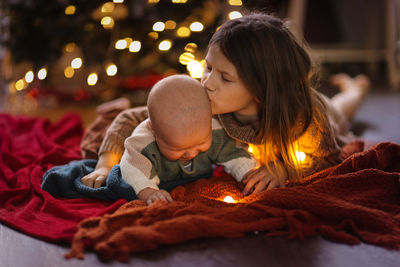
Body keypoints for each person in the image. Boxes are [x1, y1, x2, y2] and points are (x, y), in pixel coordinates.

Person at [81, 12, 369, 196]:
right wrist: (106, 165)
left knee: (343, 109)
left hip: (322, 110)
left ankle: (356, 88)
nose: (207, 83)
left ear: (260, 89)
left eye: (225, 77)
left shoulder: (305, 118)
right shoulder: (204, 100)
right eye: (208, 68)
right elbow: (132, 118)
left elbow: (329, 158)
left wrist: (282, 168)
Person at [85, 74, 258, 205]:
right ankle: (111, 111)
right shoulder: (144, 142)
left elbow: (231, 153)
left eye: (200, 143)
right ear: (155, 132)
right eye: (178, 148)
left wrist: (248, 172)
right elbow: (134, 169)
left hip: (173, 114)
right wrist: (105, 167)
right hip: (126, 124)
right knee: (94, 142)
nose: (190, 153)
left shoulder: (211, 124)